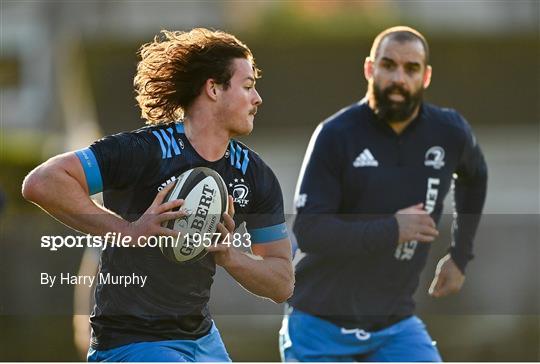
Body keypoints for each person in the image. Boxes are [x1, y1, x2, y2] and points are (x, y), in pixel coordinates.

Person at [22, 28, 293, 362]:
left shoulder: (253, 174)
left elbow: (282, 282)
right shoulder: (144, 151)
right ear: (213, 89)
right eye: (248, 86)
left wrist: (230, 257)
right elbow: (43, 181)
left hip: (200, 338)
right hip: (131, 341)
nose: (258, 99)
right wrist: (130, 231)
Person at [280, 26, 487, 362]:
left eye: (411, 69)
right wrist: (393, 229)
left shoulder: (449, 131)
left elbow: (475, 177)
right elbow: (310, 230)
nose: (398, 78)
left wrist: (460, 255)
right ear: (369, 69)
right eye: (388, 65)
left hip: (395, 325)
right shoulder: (335, 135)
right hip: (320, 325)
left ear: (426, 76)